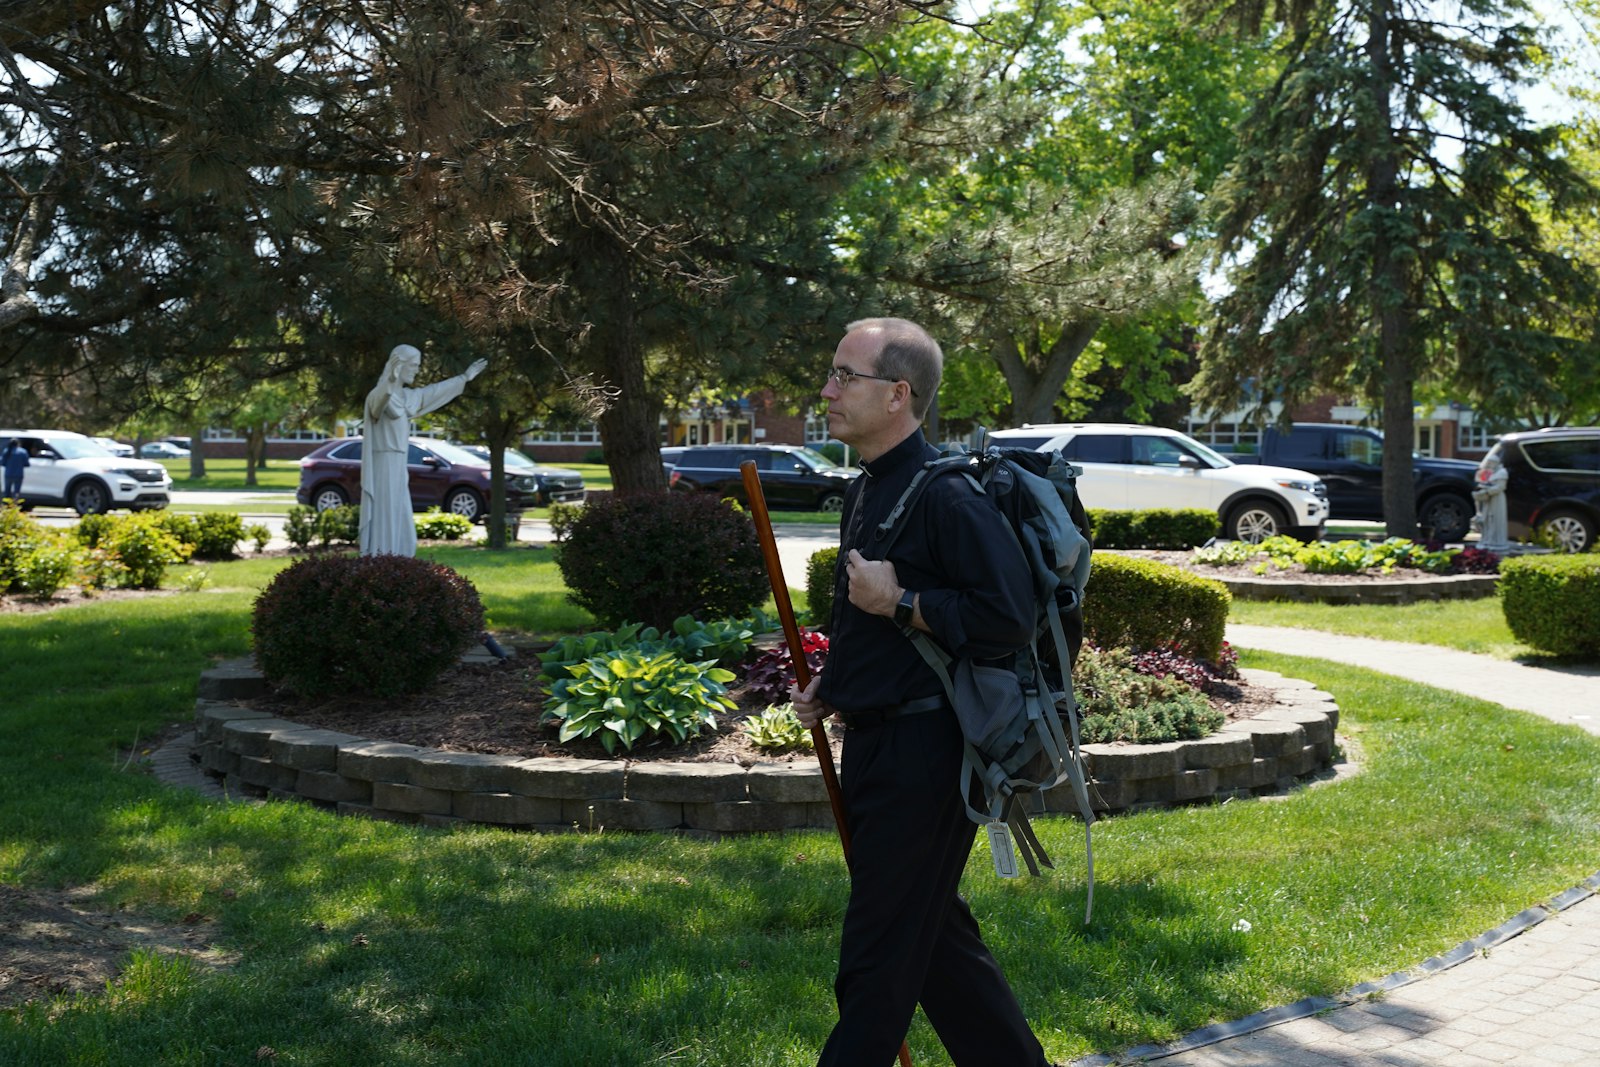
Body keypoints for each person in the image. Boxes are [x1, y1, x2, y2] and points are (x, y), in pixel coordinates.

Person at [791, 318, 1050, 1067]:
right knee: (936, 948)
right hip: (874, 745)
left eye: (846, 376)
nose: (828, 390)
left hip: (927, 758)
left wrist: (902, 602)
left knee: (872, 969)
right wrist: (832, 686)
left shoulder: (948, 495)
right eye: (833, 373)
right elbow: (863, 618)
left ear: (899, 394)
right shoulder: (866, 489)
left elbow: (1009, 616)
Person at [359, 344, 487, 557]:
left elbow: (434, 392)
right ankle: (380, 557)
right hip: (383, 464)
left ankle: (397, 557)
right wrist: (391, 378)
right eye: (414, 365)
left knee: (400, 513)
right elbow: (378, 404)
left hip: (399, 464)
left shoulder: (409, 397)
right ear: (399, 365)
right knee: (385, 511)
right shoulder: (379, 395)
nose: (417, 370)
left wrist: (464, 377)